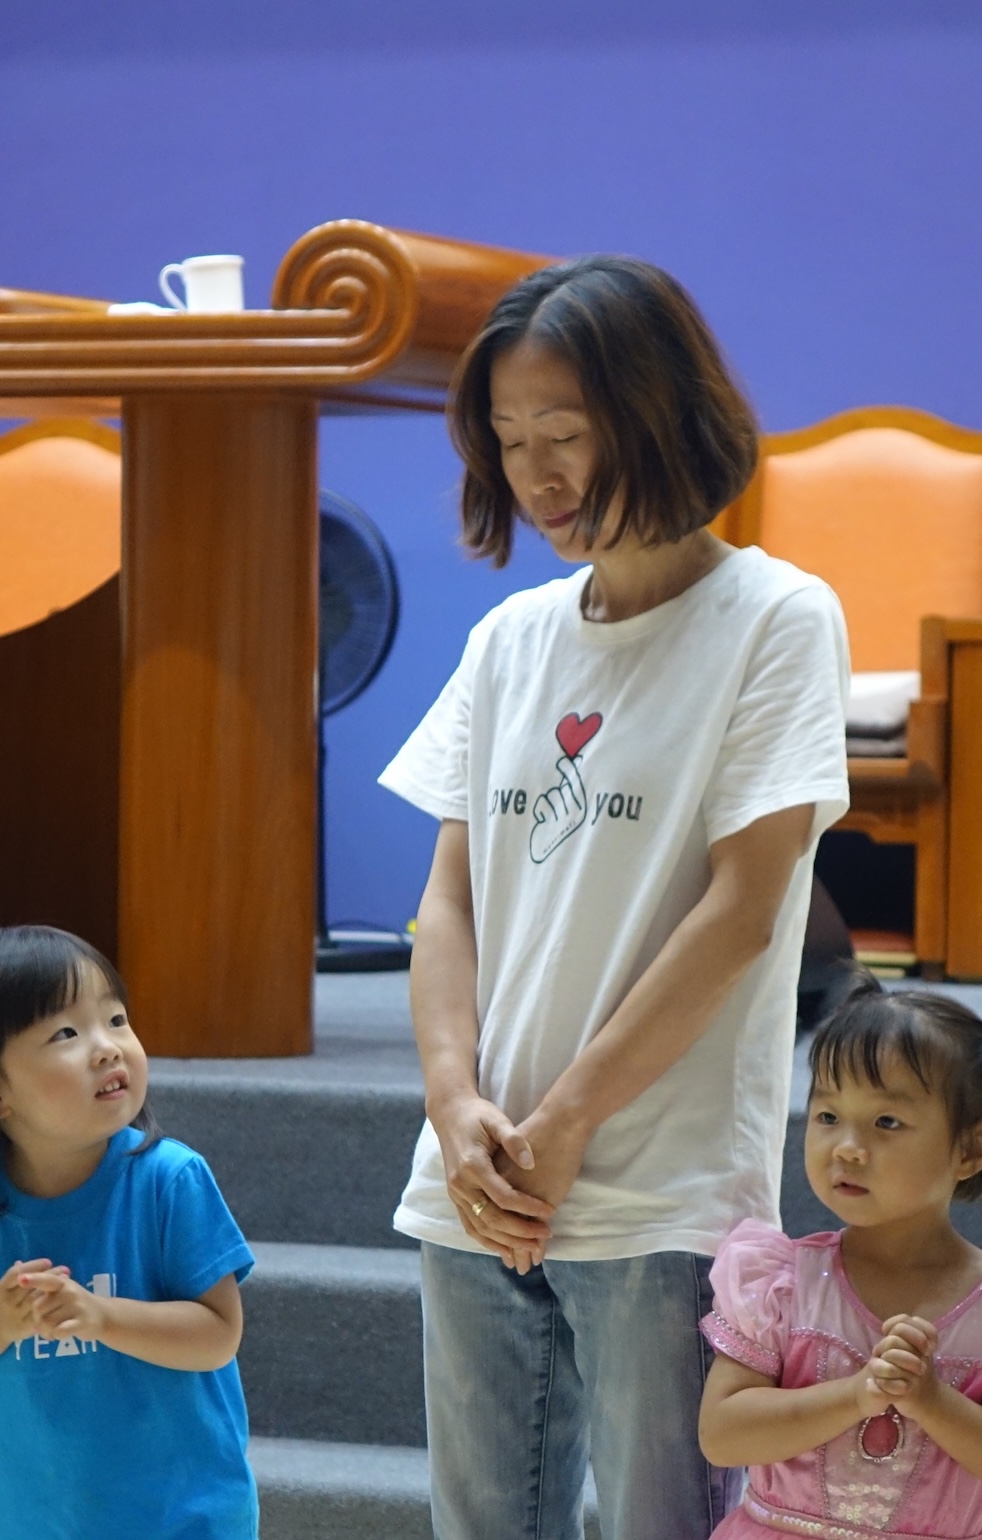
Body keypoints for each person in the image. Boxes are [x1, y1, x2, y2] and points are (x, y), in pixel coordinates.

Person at [382, 254, 850, 1540]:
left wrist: (571, 1117)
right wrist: (455, 1104)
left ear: (655, 413)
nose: (538, 475)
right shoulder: (510, 639)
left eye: (567, 434)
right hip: (479, 1177)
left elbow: (743, 912)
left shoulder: (776, 617)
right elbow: (447, 905)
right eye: (510, 439)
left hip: (657, 1187)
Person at [0, 926, 256, 1540]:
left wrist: (101, 1316)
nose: (107, 1048)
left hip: (183, 1515)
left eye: (116, 1019)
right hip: (35, 1520)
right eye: (66, 1034)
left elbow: (217, 1335)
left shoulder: (170, 1180)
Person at [696, 983, 982, 1538]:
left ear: (972, 1148)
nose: (847, 1146)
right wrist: (856, 1394)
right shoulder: (783, 1283)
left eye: (886, 1122)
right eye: (828, 1115)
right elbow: (722, 1435)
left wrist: (931, 1401)